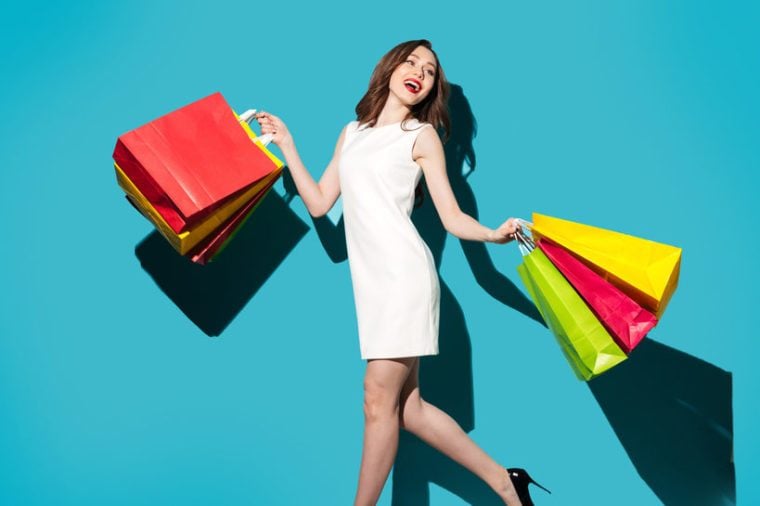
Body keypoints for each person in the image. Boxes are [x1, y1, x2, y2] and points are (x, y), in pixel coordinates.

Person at [255, 39, 549, 506]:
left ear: (432, 89)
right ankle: (505, 482)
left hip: (405, 279)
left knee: (377, 399)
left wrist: (494, 235)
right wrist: (288, 144)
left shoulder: (421, 137)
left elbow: (452, 218)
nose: (420, 72)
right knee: (408, 410)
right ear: (390, 68)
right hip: (373, 285)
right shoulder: (352, 132)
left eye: (430, 71)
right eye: (412, 62)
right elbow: (319, 203)